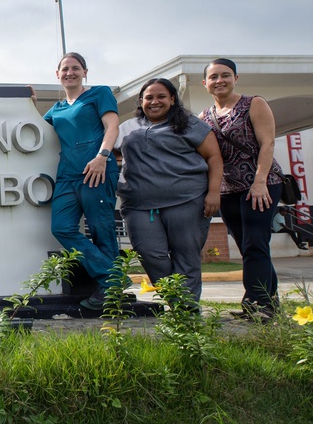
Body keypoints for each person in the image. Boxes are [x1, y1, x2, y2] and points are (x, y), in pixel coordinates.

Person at [114, 78, 222, 304]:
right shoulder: (127, 128)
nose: (155, 102)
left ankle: (186, 314)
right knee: (149, 254)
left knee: (186, 257)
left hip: (186, 201)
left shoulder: (191, 125)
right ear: (141, 101)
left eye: (161, 96)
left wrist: (214, 192)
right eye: (149, 97)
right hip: (138, 205)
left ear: (172, 99)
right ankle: (176, 302)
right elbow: (110, 154)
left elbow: (213, 156)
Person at [200, 58, 284, 320]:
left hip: (262, 186)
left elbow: (267, 143)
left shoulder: (253, 104)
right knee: (248, 246)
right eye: (213, 77)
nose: (219, 81)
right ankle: (270, 302)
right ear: (205, 83)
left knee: (255, 243)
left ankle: (256, 305)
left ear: (236, 78)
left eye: (225, 75)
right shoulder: (204, 117)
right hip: (227, 191)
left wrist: (259, 182)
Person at [43, 52, 120, 310]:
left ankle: (108, 292)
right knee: (61, 227)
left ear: (85, 72)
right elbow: (36, 131)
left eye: (76, 68)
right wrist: (28, 102)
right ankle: (113, 277)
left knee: (101, 228)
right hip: (67, 175)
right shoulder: (56, 109)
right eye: (65, 69)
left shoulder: (99, 93)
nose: (70, 72)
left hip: (96, 170)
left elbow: (112, 127)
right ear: (57, 74)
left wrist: (102, 156)